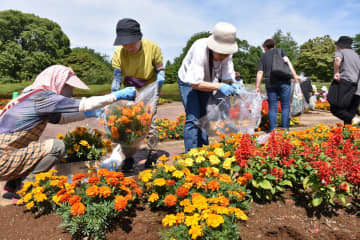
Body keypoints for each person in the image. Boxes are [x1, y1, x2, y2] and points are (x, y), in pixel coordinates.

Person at [0, 65, 136, 200]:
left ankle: (12, 186)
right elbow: (85, 103)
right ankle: (26, 189)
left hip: (6, 155)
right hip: (3, 160)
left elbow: (59, 118)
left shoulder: (28, 95)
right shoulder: (43, 97)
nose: (71, 91)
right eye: (69, 86)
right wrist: (116, 96)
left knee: (32, 149)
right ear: (58, 82)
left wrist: (89, 114)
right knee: (57, 147)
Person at [177, 22, 241, 153]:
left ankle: (204, 150)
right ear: (214, 48)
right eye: (222, 53)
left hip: (208, 82)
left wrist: (234, 85)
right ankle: (191, 154)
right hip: (188, 81)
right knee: (193, 117)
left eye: (226, 54)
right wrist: (219, 85)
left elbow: (227, 77)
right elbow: (194, 83)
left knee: (205, 116)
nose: (224, 56)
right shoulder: (200, 48)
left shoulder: (227, 54)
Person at [111, 18, 165, 170]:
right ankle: (128, 157)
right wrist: (115, 94)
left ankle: (152, 154)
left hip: (149, 86)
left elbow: (160, 68)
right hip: (129, 89)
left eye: (131, 42)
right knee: (127, 122)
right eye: (124, 43)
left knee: (149, 121)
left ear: (139, 37)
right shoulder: (119, 53)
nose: (127, 46)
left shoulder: (152, 48)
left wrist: (161, 76)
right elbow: (117, 76)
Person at [255, 39, 300, 131]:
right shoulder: (281, 50)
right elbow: (288, 62)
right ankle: (285, 130)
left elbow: (260, 72)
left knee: (272, 107)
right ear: (274, 45)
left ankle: (273, 131)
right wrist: (295, 75)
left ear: (265, 47)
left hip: (270, 83)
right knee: (286, 106)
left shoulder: (263, 56)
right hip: (284, 81)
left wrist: (257, 87)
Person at [330, 36, 360, 125]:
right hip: (357, 87)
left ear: (340, 45)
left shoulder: (340, 51)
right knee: (350, 112)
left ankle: (356, 120)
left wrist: (336, 72)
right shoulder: (356, 55)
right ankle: (349, 136)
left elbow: (337, 60)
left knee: (335, 108)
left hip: (346, 83)